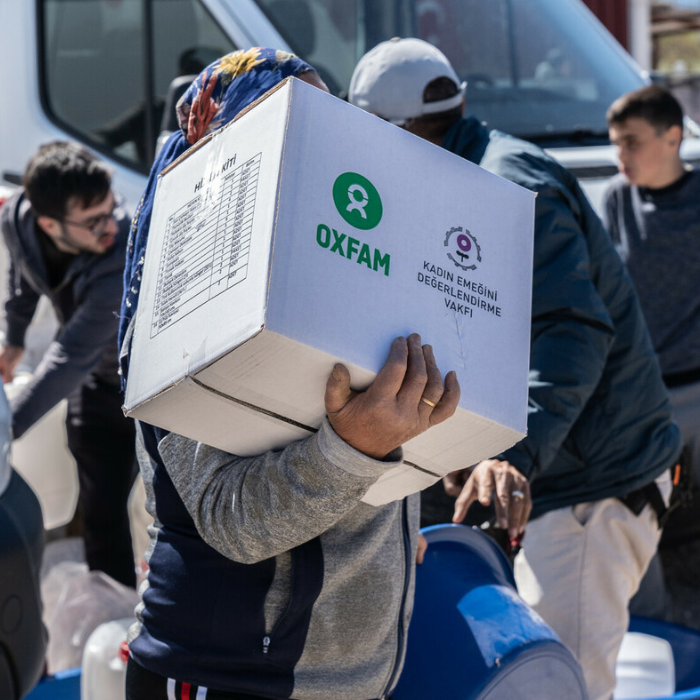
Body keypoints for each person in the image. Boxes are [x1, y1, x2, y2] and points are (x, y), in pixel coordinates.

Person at [118, 48, 467, 700]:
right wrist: (355, 450)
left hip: (343, 676)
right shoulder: (191, 289)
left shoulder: (332, 264)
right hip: (231, 673)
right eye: (287, 122)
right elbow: (234, 521)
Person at [349, 38, 682, 700]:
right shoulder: (459, 169)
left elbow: (572, 330)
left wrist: (513, 453)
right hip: (564, 472)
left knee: (566, 685)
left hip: (593, 485)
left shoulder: (506, 186)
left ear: (399, 130)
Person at [0, 142, 137, 587]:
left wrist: (4, 430)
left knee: (157, 510)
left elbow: (68, 358)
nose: (110, 225)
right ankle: (110, 603)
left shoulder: (118, 254)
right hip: (93, 384)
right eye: (94, 220)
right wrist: (14, 338)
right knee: (102, 512)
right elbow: (22, 274)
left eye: (110, 208)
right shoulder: (16, 219)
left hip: (137, 384)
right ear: (47, 223)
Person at [605, 85, 700, 489]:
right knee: (644, 518)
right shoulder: (616, 199)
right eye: (615, 144)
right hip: (643, 393)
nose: (621, 155)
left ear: (673, 138)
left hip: (697, 384)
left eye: (632, 143)